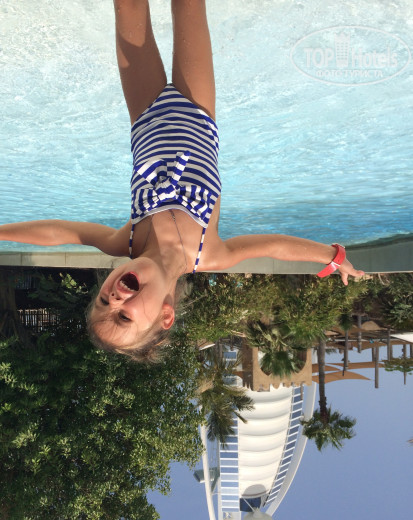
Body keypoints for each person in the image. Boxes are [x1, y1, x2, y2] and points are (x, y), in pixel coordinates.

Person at [0, 0, 364, 361]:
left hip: (145, 111)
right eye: (124, 316)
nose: (113, 300)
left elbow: (61, 233)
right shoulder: (210, 253)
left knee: (128, 8)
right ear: (165, 315)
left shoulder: (126, 240)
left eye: (101, 303)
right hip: (197, 110)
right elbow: (273, 247)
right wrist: (332, 256)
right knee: (189, 6)